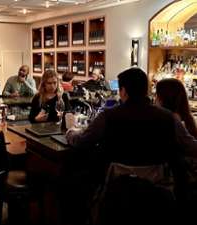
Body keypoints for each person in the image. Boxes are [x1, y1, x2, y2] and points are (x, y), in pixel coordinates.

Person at [65, 67, 186, 225]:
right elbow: (185, 147)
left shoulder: (108, 116)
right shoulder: (168, 117)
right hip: (157, 192)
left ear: (123, 91)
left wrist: (70, 133)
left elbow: (82, 142)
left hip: (115, 189)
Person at [155, 78, 197, 157]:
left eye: (157, 95)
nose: (155, 99)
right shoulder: (186, 118)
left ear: (163, 99)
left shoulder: (171, 119)